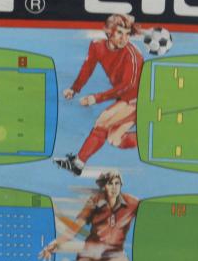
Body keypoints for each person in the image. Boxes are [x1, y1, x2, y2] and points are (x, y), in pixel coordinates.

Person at [55, 13, 145, 176]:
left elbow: (127, 85)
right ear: (109, 31)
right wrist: (74, 89)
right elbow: (88, 67)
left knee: (102, 122)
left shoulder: (133, 55)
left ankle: (78, 164)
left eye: (127, 34)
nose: (124, 38)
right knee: (115, 139)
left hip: (139, 99)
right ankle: (152, 139)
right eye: (120, 33)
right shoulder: (97, 46)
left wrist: (96, 98)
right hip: (125, 98)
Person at [38, 170, 140, 261]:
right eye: (110, 184)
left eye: (117, 183)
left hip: (115, 254)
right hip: (91, 252)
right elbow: (75, 227)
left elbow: (149, 210)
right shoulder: (94, 202)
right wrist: (55, 244)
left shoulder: (132, 203)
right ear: (104, 186)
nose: (114, 187)